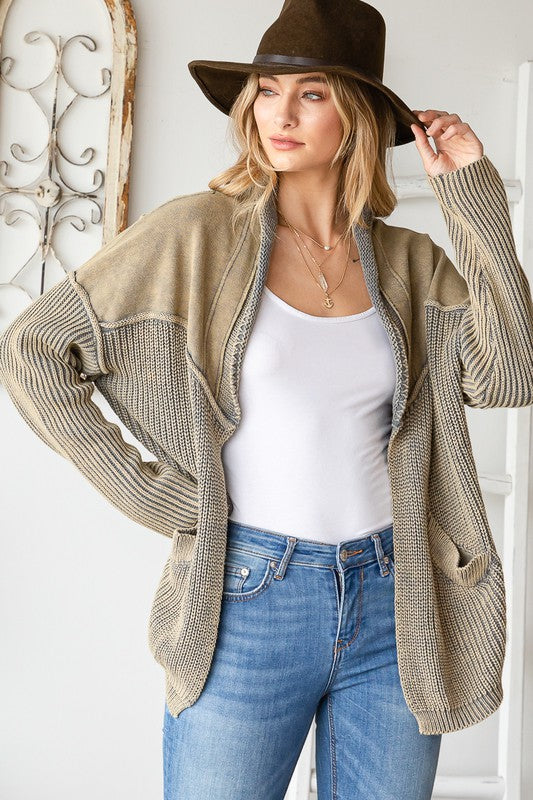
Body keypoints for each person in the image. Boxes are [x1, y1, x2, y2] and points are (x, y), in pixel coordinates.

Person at [0, 1, 532, 798]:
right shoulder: (194, 235)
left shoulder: (409, 261)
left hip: (397, 601)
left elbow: (508, 373)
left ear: (356, 116)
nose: (278, 115)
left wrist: (470, 195)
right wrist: (146, 489)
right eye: (267, 91)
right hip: (248, 599)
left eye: (311, 94)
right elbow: (34, 349)